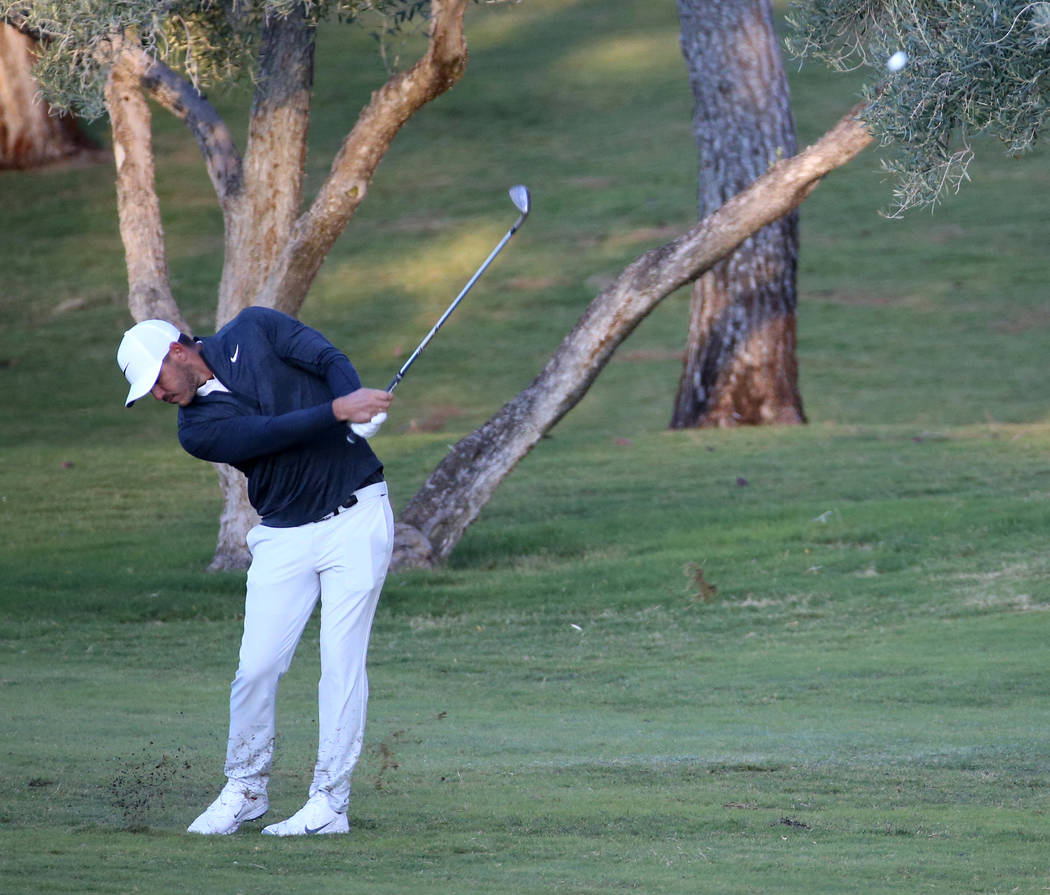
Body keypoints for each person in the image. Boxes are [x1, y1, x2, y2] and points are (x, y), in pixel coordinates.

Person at [116, 307, 395, 836]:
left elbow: (327, 358)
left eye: (155, 381)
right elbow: (267, 433)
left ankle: (330, 802)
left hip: (356, 517)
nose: (157, 395)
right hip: (283, 534)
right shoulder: (196, 430)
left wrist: (357, 406)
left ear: (178, 352)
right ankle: (245, 788)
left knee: (341, 662)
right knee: (257, 668)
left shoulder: (256, 328)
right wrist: (340, 410)